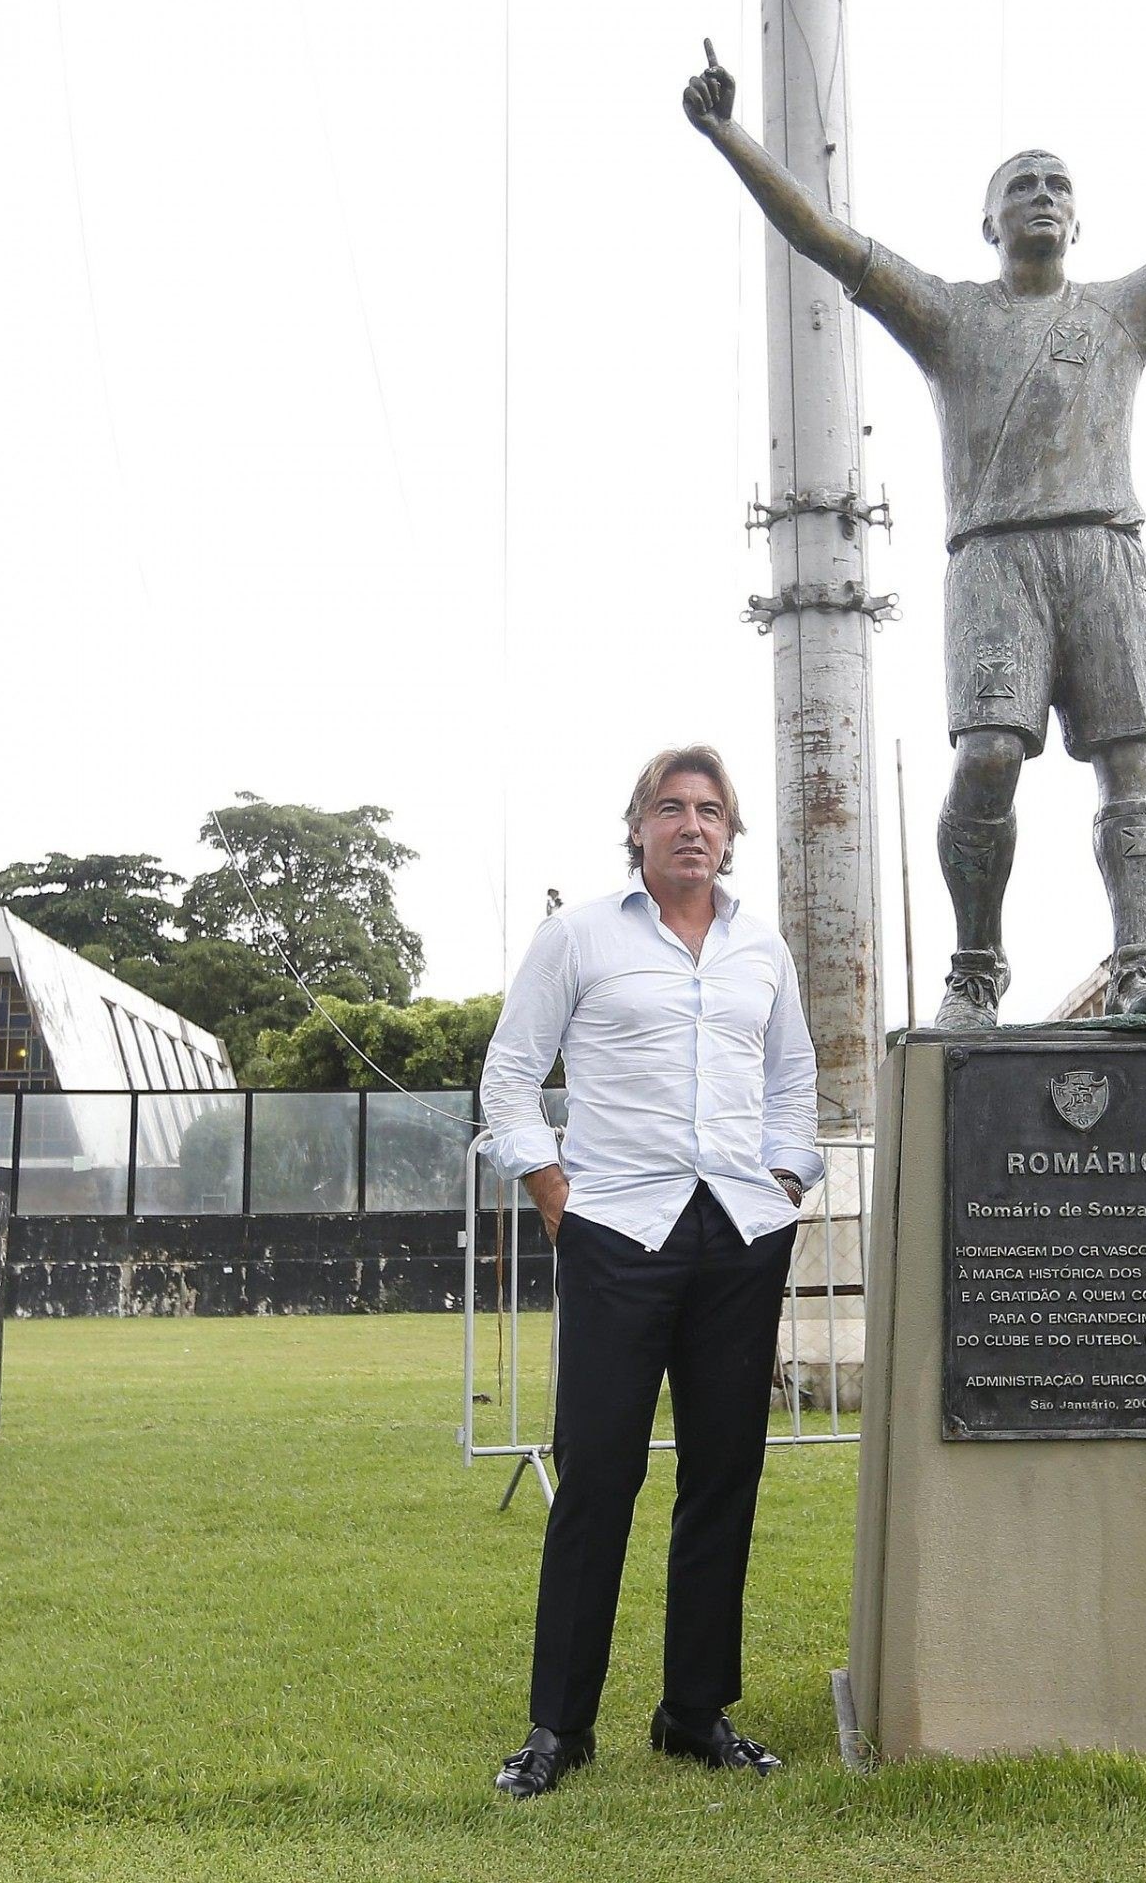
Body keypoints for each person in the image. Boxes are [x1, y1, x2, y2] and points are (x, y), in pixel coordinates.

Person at [684, 18, 1146, 1027]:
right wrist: (731, 137)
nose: (1044, 199)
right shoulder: (950, 315)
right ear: (988, 223)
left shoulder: (1122, 312)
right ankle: (976, 966)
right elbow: (821, 238)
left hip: (1104, 550)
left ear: (1080, 222)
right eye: (1024, 187)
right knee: (988, 758)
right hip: (995, 562)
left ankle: (1143, 964)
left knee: (1130, 764)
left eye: (1059, 186)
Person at [480, 746, 822, 1794]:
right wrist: (552, 1193)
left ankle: (693, 1713)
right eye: (669, 808)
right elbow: (508, 1078)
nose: (690, 825)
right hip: (616, 1233)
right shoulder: (578, 935)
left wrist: (785, 1181)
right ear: (636, 828)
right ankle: (559, 1729)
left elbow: (794, 1080)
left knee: (723, 1475)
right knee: (601, 1477)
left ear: (731, 834)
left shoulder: (762, 951)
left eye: (710, 810)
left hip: (737, 1237)